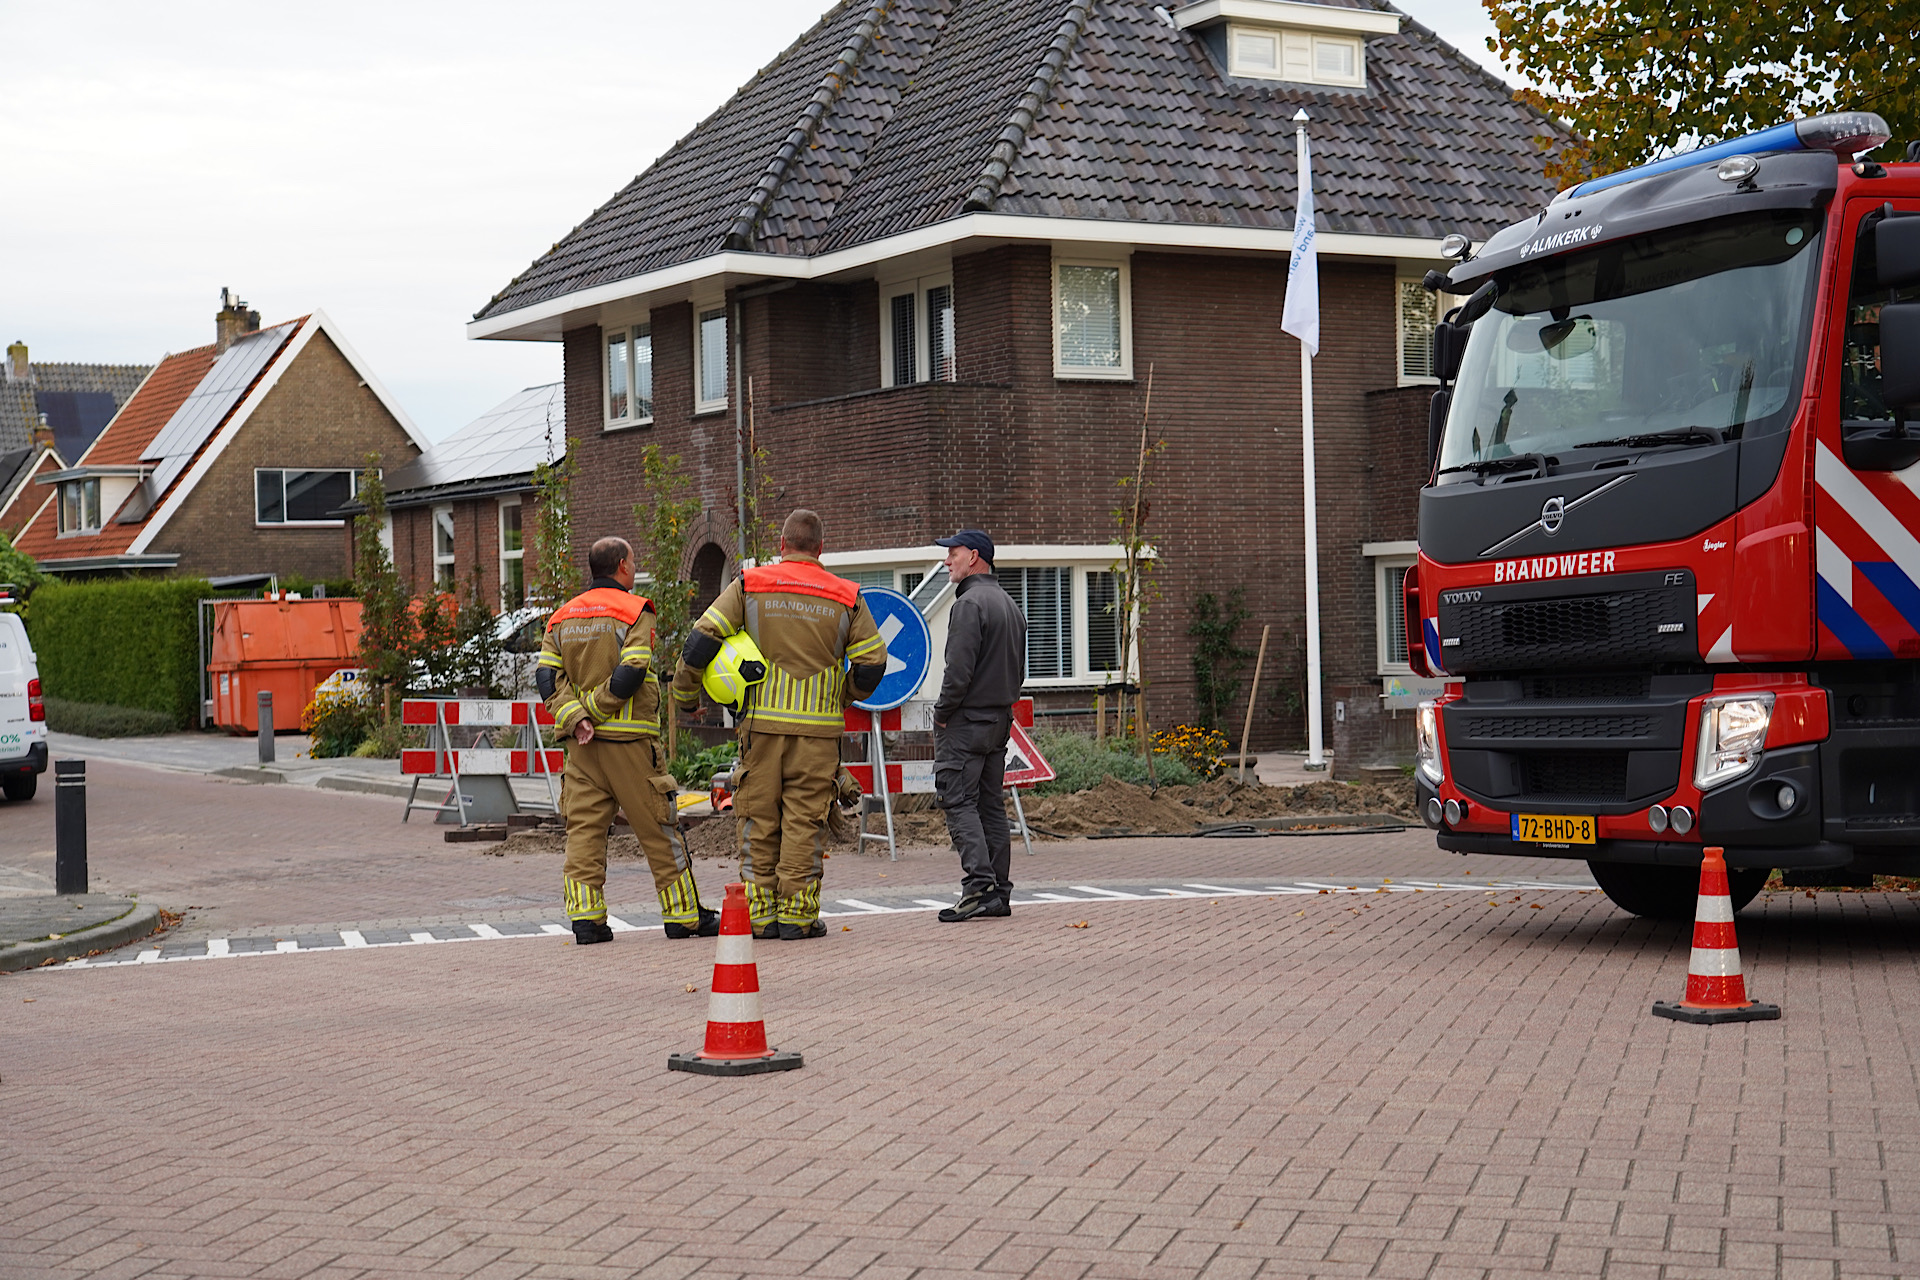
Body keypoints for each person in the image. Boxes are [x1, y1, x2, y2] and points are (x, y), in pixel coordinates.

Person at [671, 510, 888, 940]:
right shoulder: (847, 596)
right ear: (820, 550)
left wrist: (686, 697)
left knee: (757, 818)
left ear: (783, 544)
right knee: (805, 822)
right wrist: (841, 695)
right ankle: (797, 918)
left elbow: (701, 640)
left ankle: (760, 916)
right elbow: (872, 664)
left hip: (761, 732)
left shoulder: (751, 585)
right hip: (818, 735)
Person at [538, 536, 716, 945]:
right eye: (633, 561)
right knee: (658, 827)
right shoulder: (635, 610)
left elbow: (548, 679)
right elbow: (633, 669)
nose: (635, 568)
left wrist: (577, 718)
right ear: (621, 565)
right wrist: (598, 712)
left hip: (582, 752)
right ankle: (684, 917)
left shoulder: (560, 618)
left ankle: (587, 921)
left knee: (583, 831)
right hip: (631, 744)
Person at [930, 529, 1026, 923]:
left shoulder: (969, 604)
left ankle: (978, 889)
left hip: (966, 723)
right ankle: (998, 893)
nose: (946, 561)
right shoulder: (1009, 604)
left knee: (958, 800)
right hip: (998, 721)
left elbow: (958, 671)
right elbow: (1018, 671)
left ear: (974, 557)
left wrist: (942, 711)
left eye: (952, 554)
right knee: (990, 805)